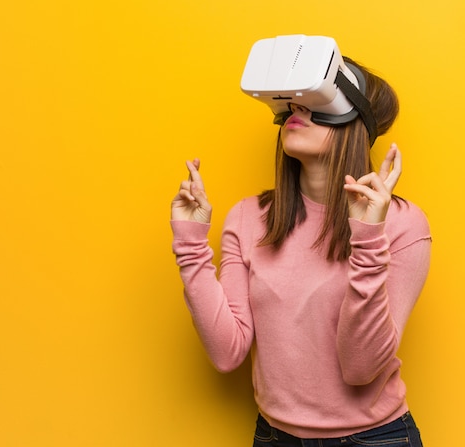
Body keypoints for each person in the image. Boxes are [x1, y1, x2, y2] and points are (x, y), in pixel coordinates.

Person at [171, 56, 431, 447]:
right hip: (275, 437)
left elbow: (361, 368)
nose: (297, 108)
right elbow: (227, 352)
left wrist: (368, 236)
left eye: (316, 100)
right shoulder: (248, 218)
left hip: (375, 439)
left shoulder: (402, 224)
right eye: (293, 100)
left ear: (353, 122)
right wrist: (191, 245)